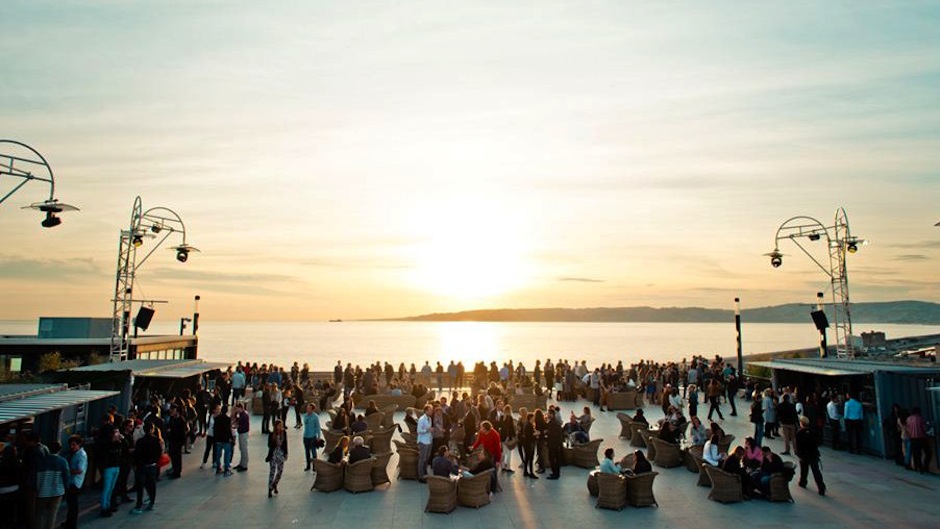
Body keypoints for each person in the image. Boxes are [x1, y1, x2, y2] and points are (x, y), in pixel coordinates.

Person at [35, 441, 69, 529]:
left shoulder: (42, 461)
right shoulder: (62, 461)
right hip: (57, 491)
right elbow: (66, 477)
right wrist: (66, 488)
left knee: (39, 514)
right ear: (59, 450)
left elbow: (36, 476)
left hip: (43, 491)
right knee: (52, 514)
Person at [131, 423, 162, 514]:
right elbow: (159, 452)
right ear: (152, 429)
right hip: (152, 465)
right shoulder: (156, 440)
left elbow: (137, 454)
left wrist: (137, 464)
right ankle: (151, 502)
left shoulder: (140, 441)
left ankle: (139, 505)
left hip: (142, 466)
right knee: (152, 485)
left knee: (140, 486)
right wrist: (155, 461)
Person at [796, 416, 826, 496]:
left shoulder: (799, 433)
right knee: (816, 471)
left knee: (804, 470)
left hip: (804, 454)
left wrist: (799, 454)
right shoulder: (813, 432)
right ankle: (821, 487)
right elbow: (819, 442)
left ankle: (803, 482)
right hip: (813, 454)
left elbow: (798, 446)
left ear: (801, 423)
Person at [62, 435, 87, 529]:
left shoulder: (81, 455)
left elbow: (79, 470)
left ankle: (71, 524)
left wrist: (67, 470)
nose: (72, 447)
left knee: (73, 505)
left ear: (79, 444)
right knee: (71, 504)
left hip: (75, 482)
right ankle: (69, 522)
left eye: (74, 445)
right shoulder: (76, 453)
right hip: (72, 482)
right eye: (71, 445)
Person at [99, 427, 123, 516]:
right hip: (108, 467)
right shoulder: (107, 444)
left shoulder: (118, 444)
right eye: (116, 432)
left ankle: (108, 504)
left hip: (116, 466)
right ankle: (104, 506)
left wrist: (121, 440)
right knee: (106, 488)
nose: (118, 434)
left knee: (111, 488)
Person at [266, 420, 288, 497]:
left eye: (281, 425)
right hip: (273, 454)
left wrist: (286, 453)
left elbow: (285, 444)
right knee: (272, 471)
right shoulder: (271, 434)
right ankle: (269, 488)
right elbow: (269, 445)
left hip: (281, 454)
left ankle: (275, 483)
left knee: (280, 471)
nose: (279, 427)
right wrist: (275, 443)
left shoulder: (284, 433)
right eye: (278, 425)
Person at [165, 405, 188, 479]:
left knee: (177, 456)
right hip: (172, 440)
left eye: (173, 410)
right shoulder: (172, 418)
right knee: (173, 455)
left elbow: (184, 430)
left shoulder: (181, 420)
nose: (171, 411)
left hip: (178, 441)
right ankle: (174, 469)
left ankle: (177, 472)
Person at [906, 407, 929, 474]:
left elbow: (907, 429)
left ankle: (918, 467)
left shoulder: (908, 419)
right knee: (927, 452)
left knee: (916, 454)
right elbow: (924, 429)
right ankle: (925, 466)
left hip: (912, 439)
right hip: (921, 438)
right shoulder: (920, 418)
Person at [213, 404, 235, 476]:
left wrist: (215, 438)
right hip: (226, 439)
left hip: (218, 439)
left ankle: (218, 469)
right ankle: (226, 469)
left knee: (218, 454)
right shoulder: (228, 419)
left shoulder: (216, 419)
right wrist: (231, 438)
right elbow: (229, 430)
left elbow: (215, 429)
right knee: (227, 454)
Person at [302, 403, 322, 471]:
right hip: (306, 436)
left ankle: (315, 466)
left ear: (312, 409)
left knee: (313, 452)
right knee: (307, 452)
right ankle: (308, 465)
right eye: (307, 408)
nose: (308, 409)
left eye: (309, 408)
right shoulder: (305, 416)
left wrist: (318, 436)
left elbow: (317, 427)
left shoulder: (315, 417)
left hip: (312, 436)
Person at [416, 405, 433, 482]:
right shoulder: (421, 419)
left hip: (428, 441)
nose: (431, 412)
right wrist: (427, 430)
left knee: (426, 458)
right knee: (422, 459)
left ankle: (425, 473)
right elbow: (419, 430)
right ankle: (420, 476)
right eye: (430, 410)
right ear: (426, 411)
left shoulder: (429, 419)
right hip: (423, 441)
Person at [545, 408, 563, 479]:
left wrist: (547, 434)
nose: (547, 415)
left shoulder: (553, 423)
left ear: (552, 414)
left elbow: (553, 433)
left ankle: (555, 473)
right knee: (554, 458)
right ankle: (555, 473)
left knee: (553, 458)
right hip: (555, 444)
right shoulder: (554, 422)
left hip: (553, 444)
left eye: (549, 414)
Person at [233, 402, 251, 471]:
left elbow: (239, 424)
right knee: (241, 448)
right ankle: (241, 463)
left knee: (244, 449)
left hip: (243, 433)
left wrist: (235, 426)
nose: (236, 410)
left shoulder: (244, 415)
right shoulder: (241, 414)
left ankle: (244, 465)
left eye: (237, 408)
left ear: (240, 408)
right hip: (241, 433)